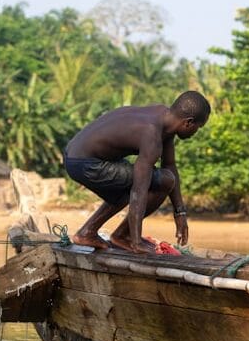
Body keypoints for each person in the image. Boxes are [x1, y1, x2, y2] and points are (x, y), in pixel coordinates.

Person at [63, 90, 211, 253]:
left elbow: (169, 165)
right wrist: (136, 242)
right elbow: (139, 190)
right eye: (198, 127)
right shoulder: (151, 133)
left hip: (76, 155)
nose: (196, 132)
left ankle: (88, 232)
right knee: (162, 181)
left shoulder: (164, 118)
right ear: (188, 123)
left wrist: (180, 212)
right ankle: (122, 236)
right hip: (85, 163)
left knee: (155, 178)